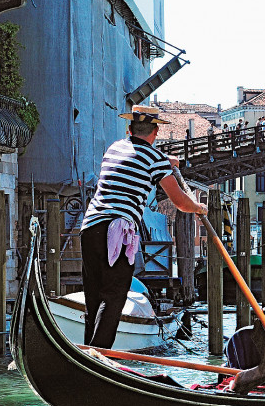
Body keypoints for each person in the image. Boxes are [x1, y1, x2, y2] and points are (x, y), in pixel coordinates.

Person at [80, 104, 208, 348]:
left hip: (90, 227)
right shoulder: (155, 160)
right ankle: (100, 355)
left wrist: (165, 160)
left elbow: (138, 156)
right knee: (114, 296)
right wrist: (200, 209)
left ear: (129, 129)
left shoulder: (113, 149)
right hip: (116, 230)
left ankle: (88, 353)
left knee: (94, 298)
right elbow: (180, 203)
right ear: (156, 132)